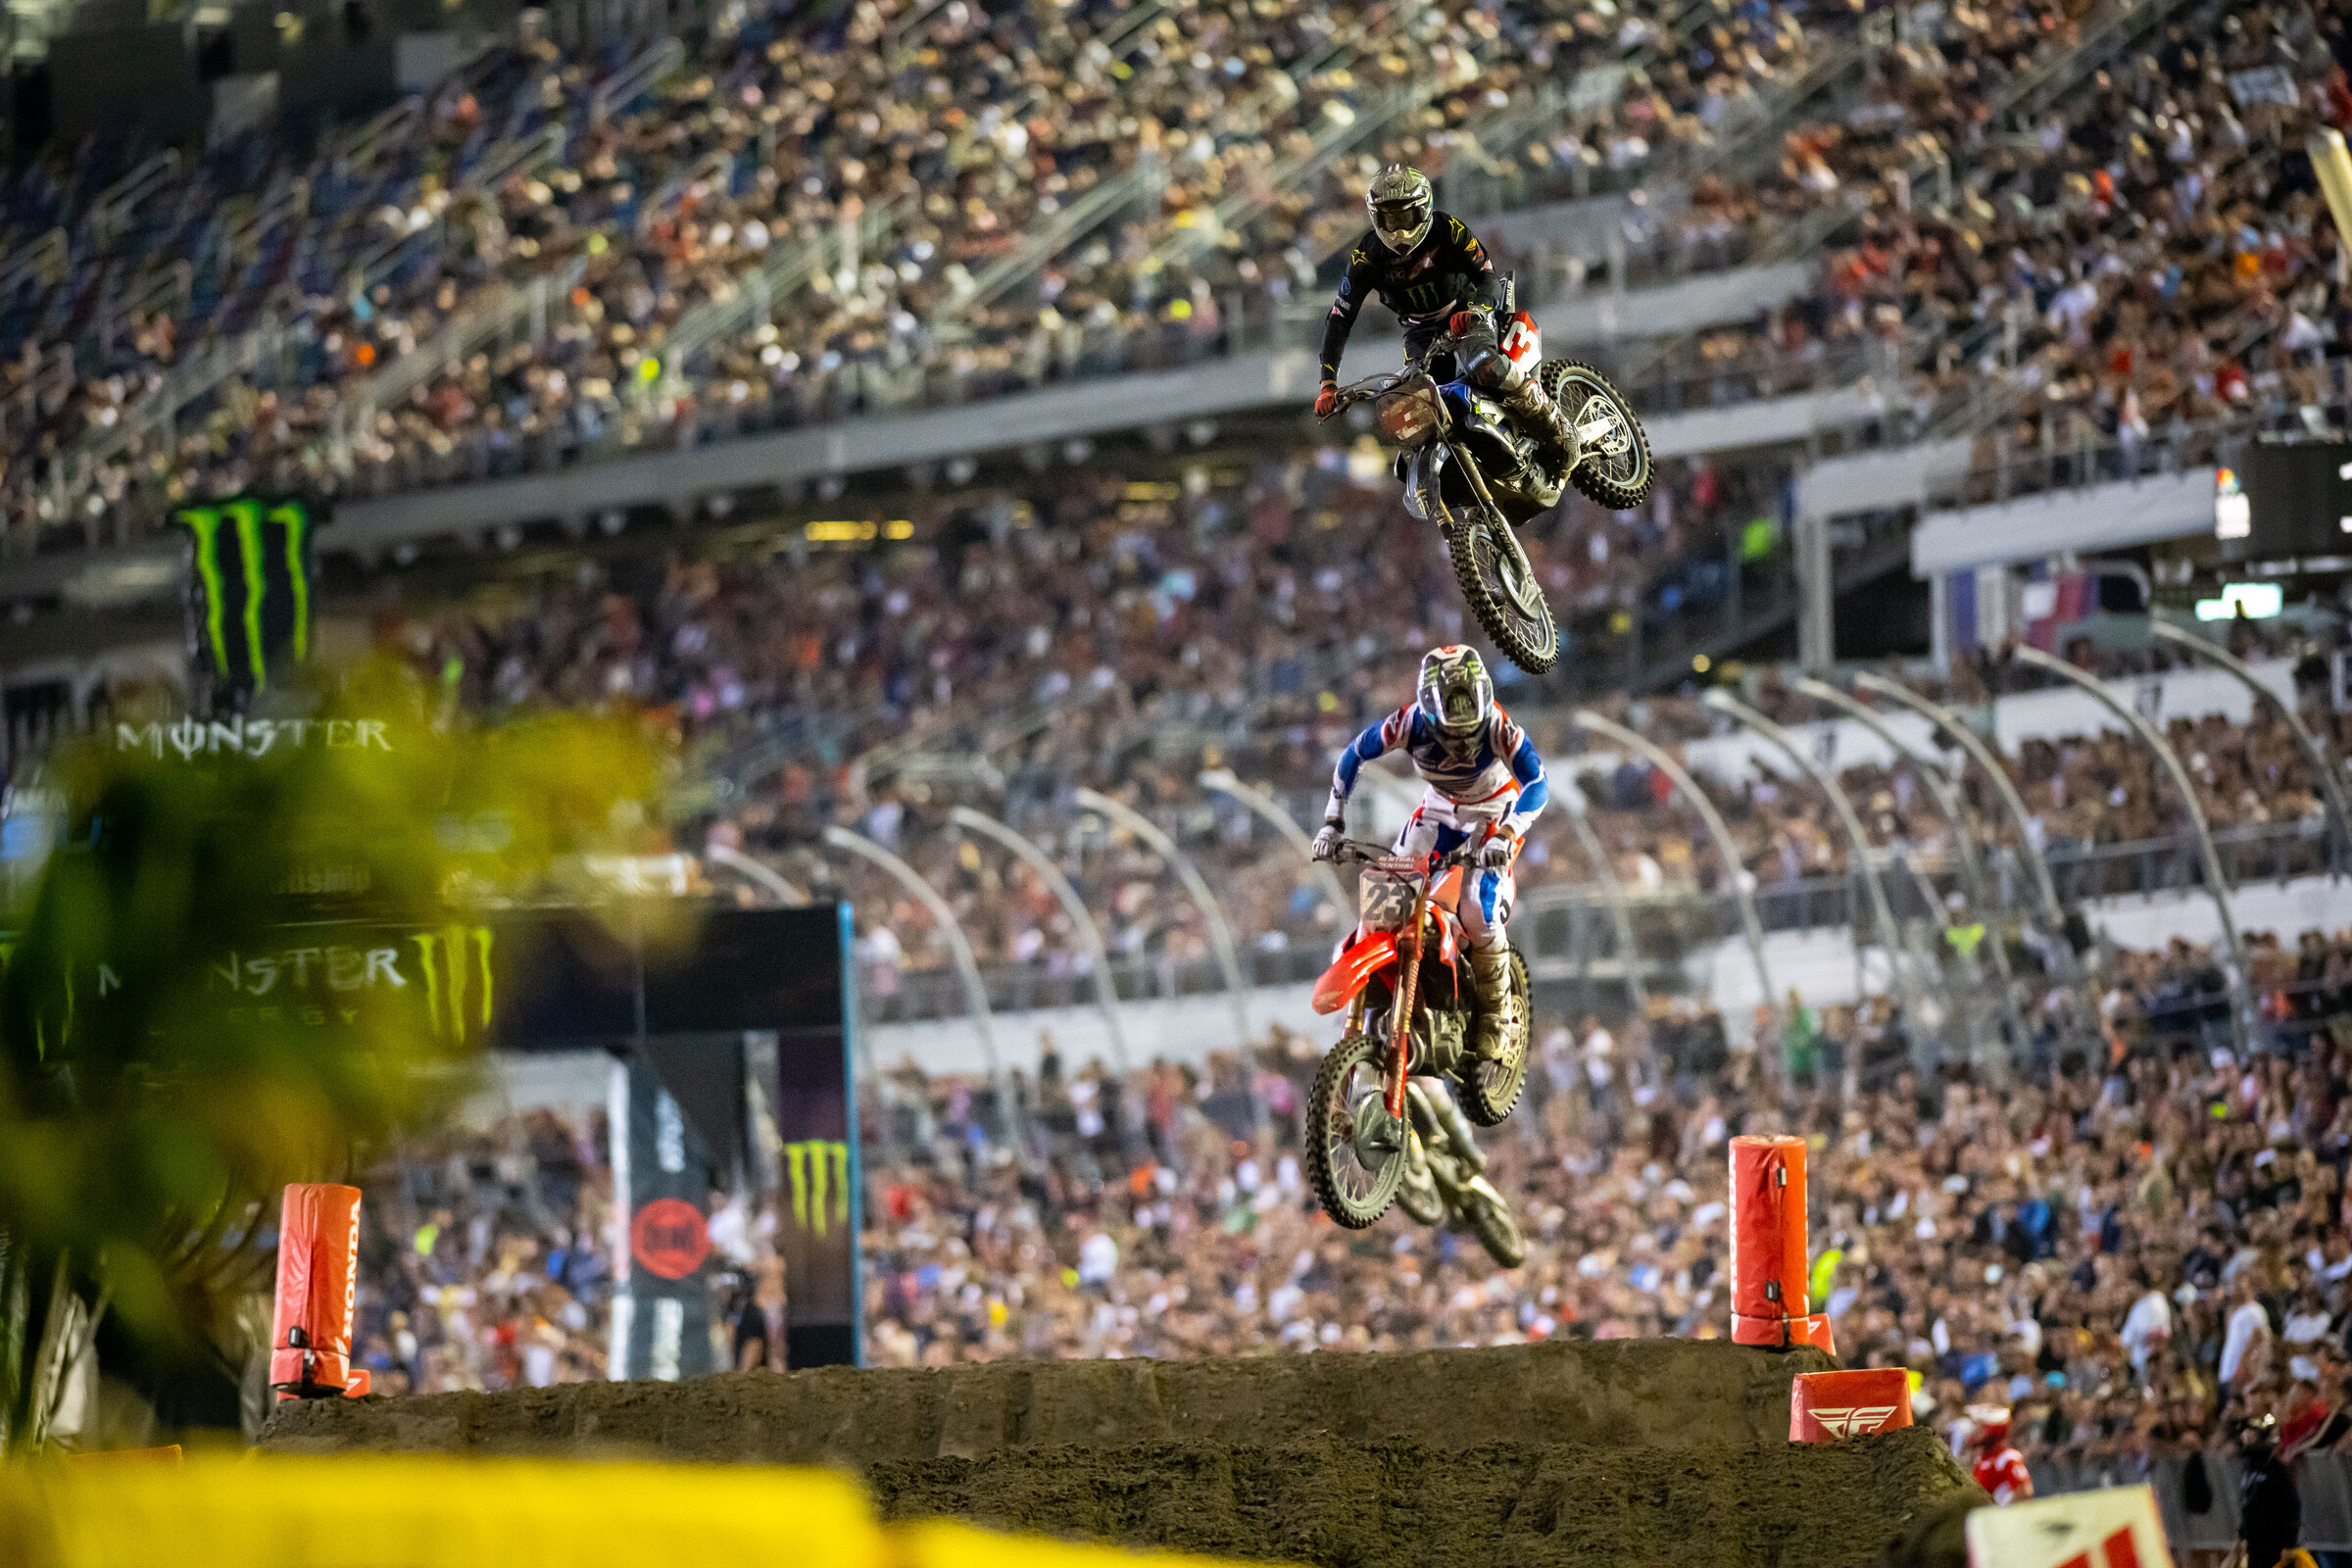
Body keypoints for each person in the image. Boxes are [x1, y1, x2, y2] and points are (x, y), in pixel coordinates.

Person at [1312, 645, 1548, 1059]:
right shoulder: (1407, 722)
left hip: (1492, 812)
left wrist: (1507, 833)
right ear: (1429, 707)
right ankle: (1370, 973)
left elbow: (1538, 783)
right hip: (1438, 808)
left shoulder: (1498, 724)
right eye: (1450, 726)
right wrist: (1333, 821)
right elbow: (1354, 754)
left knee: (1477, 906)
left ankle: (1495, 1013)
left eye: (1468, 723)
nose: (1460, 738)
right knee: (1390, 884)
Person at [1312, 166, 1578, 464]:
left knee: (1484, 362)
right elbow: (1339, 318)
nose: (1397, 229)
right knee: (1416, 405)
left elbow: (1487, 276)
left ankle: (1555, 425)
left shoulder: (1448, 229)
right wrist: (1328, 385)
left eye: (1405, 216)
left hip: (1465, 312)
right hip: (1418, 332)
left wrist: (1477, 310)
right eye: (1388, 218)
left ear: (1424, 208)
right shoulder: (1365, 256)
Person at [2237, 1412, 2303, 1568]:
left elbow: (2292, 1504)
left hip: (2274, 1539)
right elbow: (2248, 1502)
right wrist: (2242, 1534)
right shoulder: (2249, 1466)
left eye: (2251, 1433)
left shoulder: (2275, 1467)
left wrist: (2289, 1543)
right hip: (2255, 1540)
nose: (2246, 1437)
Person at [1965, 1405, 2033, 1505]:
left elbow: (2024, 1490)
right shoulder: (1982, 1459)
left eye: (1981, 1428)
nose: (1976, 1433)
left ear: (1993, 1430)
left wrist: (2002, 1514)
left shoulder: (2008, 1457)